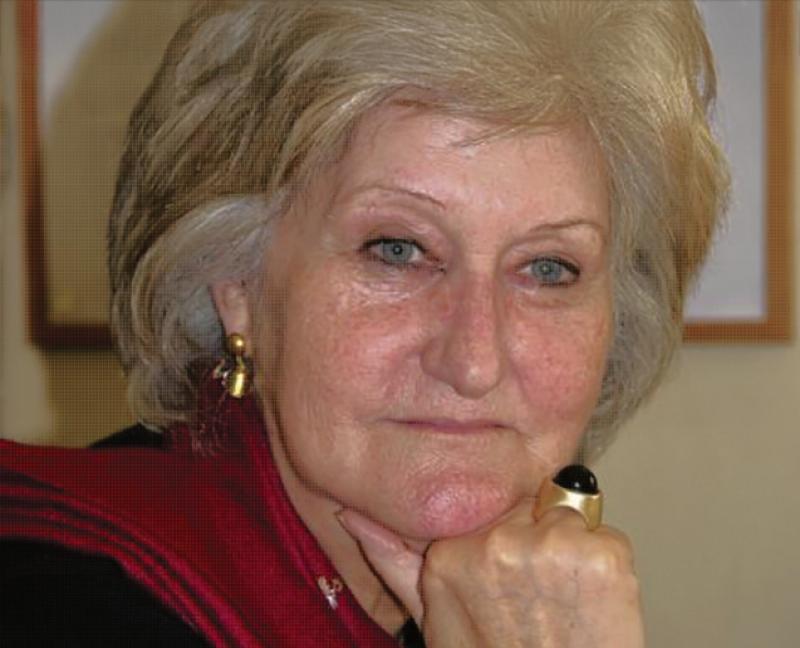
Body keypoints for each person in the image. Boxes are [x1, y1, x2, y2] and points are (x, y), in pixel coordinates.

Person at [0, 1, 728, 646]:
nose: (475, 362)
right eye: (398, 250)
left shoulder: (489, 610)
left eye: (547, 268)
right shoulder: (61, 606)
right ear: (236, 281)